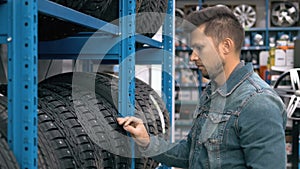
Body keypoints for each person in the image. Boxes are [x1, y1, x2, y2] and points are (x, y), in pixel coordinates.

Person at [117, 6, 287, 169]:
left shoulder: (258, 104)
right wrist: (146, 141)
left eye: (199, 48)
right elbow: (192, 152)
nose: (192, 57)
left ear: (226, 47)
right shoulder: (213, 93)